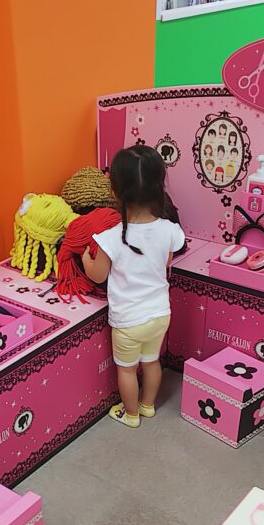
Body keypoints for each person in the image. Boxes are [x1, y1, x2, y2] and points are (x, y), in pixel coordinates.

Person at [82, 146, 184, 428]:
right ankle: (147, 406)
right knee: (151, 362)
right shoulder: (170, 229)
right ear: (158, 187)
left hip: (129, 322)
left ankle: (130, 415)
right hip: (160, 315)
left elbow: (98, 276)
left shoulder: (110, 238)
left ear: (115, 192)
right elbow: (166, 260)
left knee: (127, 370)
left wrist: (86, 259)